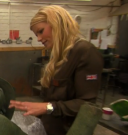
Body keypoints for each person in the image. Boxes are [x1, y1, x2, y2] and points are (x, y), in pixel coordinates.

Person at [9, 5, 103, 135]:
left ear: (56, 24)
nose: (39, 39)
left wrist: (46, 107)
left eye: (41, 31)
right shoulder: (59, 55)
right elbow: (53, 100)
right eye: (36, 34)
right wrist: (36, 110)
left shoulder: (85, 52)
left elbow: (87, 105)